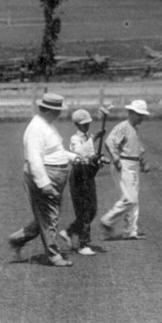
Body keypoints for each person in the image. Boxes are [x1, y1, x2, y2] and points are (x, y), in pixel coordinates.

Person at [8, 92, 77, 267]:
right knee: (49, 216)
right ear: (48, 111)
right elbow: (34, 158)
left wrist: (76, 157)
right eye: (57, 111)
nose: (59, 114)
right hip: (45, 175)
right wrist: (44, 183)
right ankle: (54, 255)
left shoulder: (47, 125)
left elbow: (56, 150)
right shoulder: (36, 128)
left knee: (46, 215)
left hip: (56, 173)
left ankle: (18, 239)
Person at [99, 99, 151, 240]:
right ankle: (107, 220)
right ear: (132, 113)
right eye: (140, 114)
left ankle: (130, 231)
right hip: (124, 164)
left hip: (133, 165)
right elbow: (110, 142)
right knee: (130, 198)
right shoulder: (123, 126)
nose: (142, 118)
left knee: (134, 201)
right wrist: (116, 158)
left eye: (143, 115)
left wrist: (142, 163)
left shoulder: (134, 129)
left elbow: (137, 149)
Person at [59, 109, 104, 256]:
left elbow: (91, 155)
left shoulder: (89, 137)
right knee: (84, 210)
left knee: (93, 209)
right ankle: (83, 244)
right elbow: (80, 152)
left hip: (88, 175)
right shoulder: (75, 139)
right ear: (77, 125)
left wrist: (99, 159)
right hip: (78, 175)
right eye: (83, 124)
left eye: (88, 123)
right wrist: (96, 138)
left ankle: (69, 231)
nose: (86, 126)